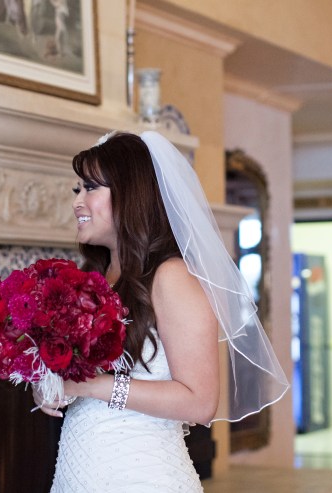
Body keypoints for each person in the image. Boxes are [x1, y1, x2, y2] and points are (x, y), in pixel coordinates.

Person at [33, 131, 289, 491]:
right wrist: (50, 386)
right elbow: (80, 377)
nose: (78, 202)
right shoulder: (93, 277)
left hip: (143, 476)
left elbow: (200, 401)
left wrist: (93, 385)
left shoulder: (171, 276)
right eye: (78, 189)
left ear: (131, 193)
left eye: (91, 188)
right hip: (80, 467)